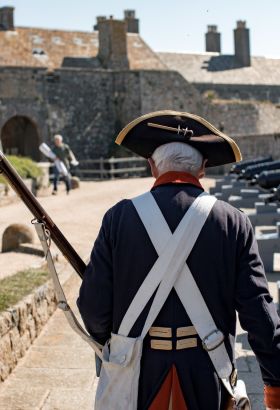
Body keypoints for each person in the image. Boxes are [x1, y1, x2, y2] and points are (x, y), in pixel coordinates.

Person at [77, 111, 280, 410]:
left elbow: (92, 307)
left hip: (136, 379)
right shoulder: (233, 222)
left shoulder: (118, 218)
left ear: (152, 166)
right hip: (208, 376)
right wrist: (274, 381)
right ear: (203, 168)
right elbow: (258, 314)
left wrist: (114, 342)